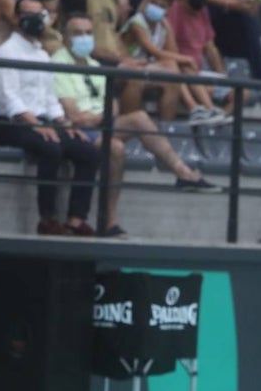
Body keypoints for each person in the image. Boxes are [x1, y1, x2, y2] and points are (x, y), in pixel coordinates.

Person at [53, 13, 216, 235]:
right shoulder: (58, 63)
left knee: (139, 117)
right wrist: (101, 116)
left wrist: (100, 116)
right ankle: (109, 221)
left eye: (89, 33)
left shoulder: (94, 64)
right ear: (65, 37)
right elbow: (74, 115)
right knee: (116, 148)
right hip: (76, 131)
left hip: (100, 124)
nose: (84, 38)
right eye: (78, 33)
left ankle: (183, 173)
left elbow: (115, 106)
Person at [0, 0, 101, 236]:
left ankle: (76, 220)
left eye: (40, 16)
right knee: (51, 147)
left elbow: (49, 98)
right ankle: (47, 219)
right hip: (7, 123)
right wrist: (36, 126)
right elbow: (10, 100)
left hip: (40, 120)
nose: (36, 21)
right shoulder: (5, 52)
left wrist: (64, 123)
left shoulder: (41, 55)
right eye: (29, 16)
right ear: (17, 19)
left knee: (87, 150)